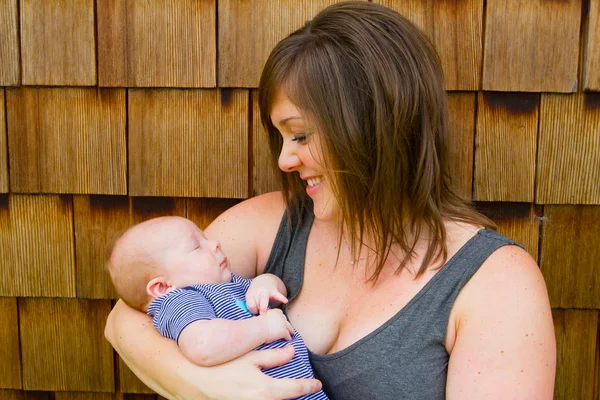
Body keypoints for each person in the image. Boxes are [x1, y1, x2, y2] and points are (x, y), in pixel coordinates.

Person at [104, 2, 556, 399]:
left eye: (299, 134)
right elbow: (127, 317)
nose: (284, 160)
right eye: (280, 136)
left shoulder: (494, 283)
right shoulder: (273, 223)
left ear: (373, 124)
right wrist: (199, 382)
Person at [105, 216, 329, 400]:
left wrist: (266, 283)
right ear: (163, 287)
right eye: (196, 247)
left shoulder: (227, 285)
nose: (215, 244)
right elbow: (202, 345)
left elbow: (274, 297)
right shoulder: (181, 300)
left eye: (206, 238)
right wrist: (265, 327)